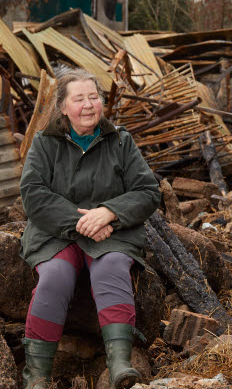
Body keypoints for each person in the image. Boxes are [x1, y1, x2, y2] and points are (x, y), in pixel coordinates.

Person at [19, 69, 161, 389]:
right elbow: (34, 195)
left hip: (113, 232)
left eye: (94, 97)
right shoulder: (44, 144)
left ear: (102, 103)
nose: (88, 105)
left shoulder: (121, 140)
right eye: (78, 99)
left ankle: (120, 363)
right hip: (56, 233)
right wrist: (83, 222)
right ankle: (37, 375)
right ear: (63, 108)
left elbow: (148, 192)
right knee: (55, 277)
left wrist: (110, 211)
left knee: (111, 267)